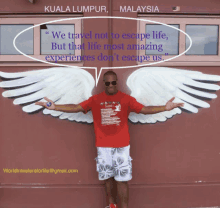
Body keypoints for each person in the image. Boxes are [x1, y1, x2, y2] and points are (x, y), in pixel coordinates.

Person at [35, 70, 184, 208]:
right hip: (103, 146)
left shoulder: (126, 99)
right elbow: (76, 107)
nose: (111, 85)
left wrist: (165, 108)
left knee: (122, 179)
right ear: (104, 84)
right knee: (107, 178)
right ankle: (112, 205)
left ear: (117, 83)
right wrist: (53, 106)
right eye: (108, 83)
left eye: (113, 83)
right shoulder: (96, 99)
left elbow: (144, 110)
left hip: (121, 146)